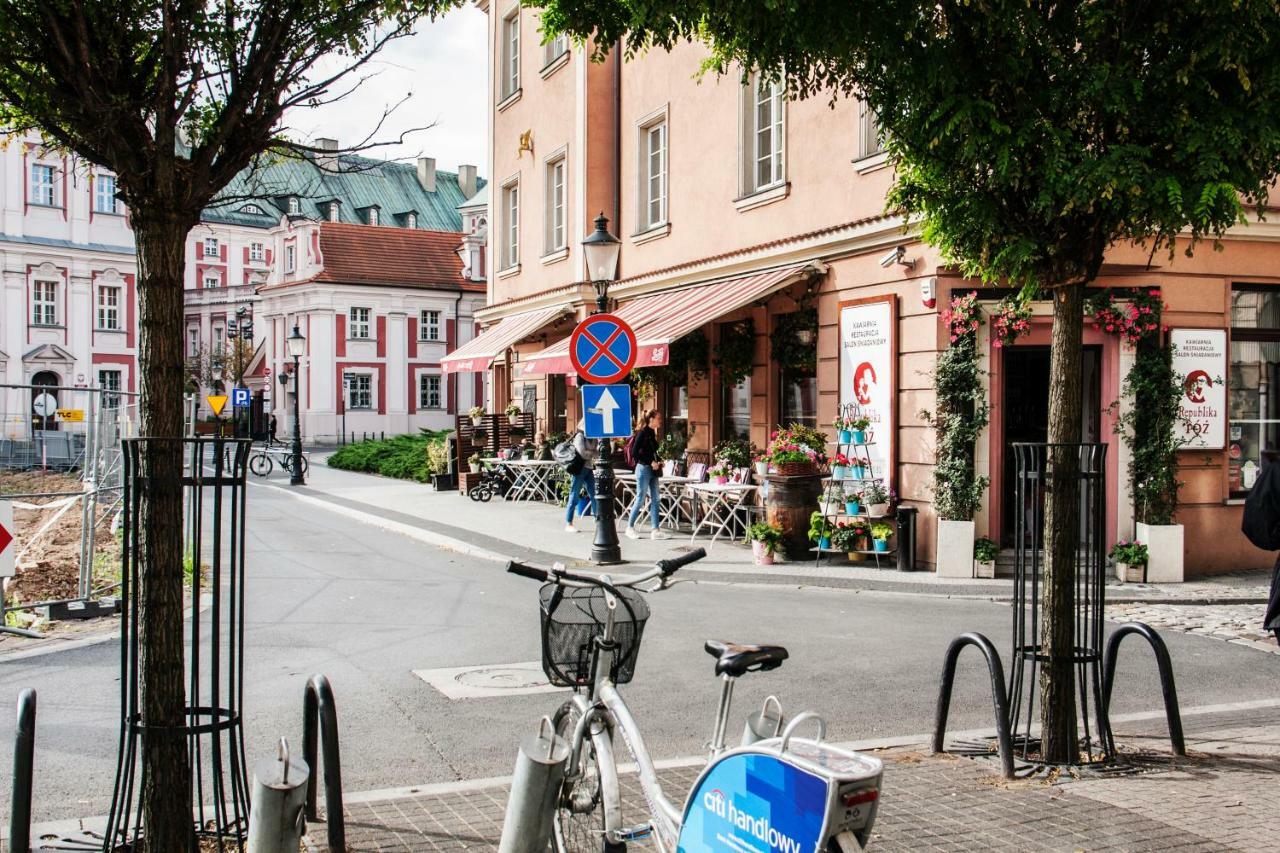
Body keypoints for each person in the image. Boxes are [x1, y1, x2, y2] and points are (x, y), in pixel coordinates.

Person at [625, 409, 669, 540]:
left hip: (652, 470)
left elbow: (650, 451)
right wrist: (650, 462)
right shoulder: (643, 433)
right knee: (640, 498)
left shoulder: (651, 433)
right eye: (658, 418)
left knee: (655, 498)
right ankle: (629, 527)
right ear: (651, 419)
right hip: (644, 469)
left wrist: (659, 460)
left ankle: (655, 530)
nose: (660, 420)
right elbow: (634, 452)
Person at [564, 421, 598, 532]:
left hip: (588, 467)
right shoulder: (579, 436)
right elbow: (582, 453)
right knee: (574, 494)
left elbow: (597, 452)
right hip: (579, 468)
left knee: (594, 494)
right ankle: (569, 523)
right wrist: (592, 452)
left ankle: (598, 518)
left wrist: (590, 452)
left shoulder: (594, 438)